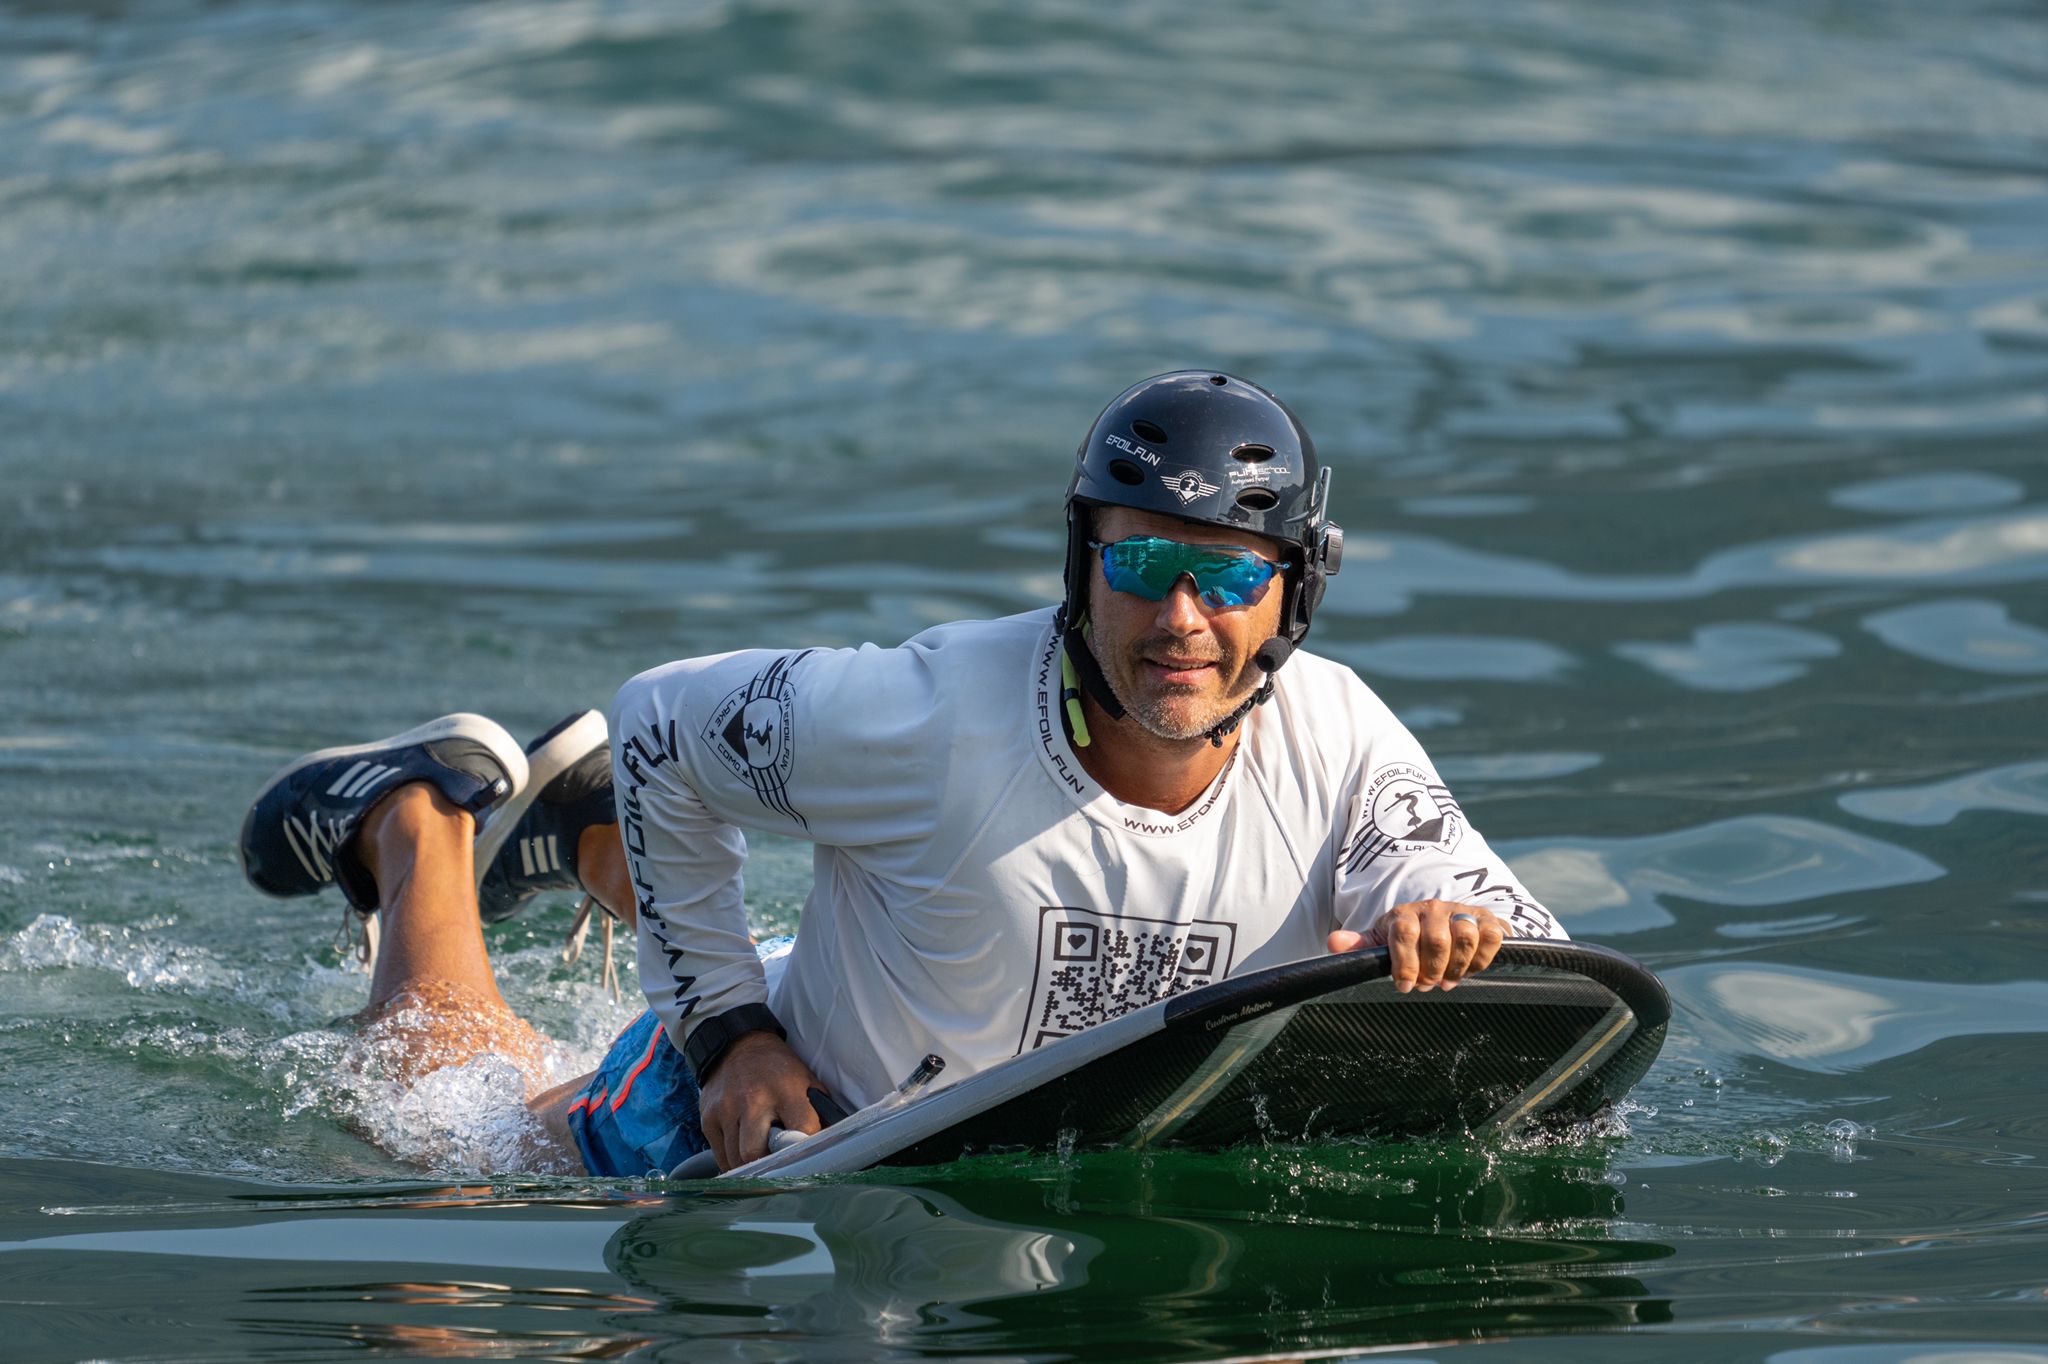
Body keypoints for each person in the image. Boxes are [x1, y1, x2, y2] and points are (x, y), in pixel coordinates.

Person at [239, 371, 1566, 1177]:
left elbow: (1466, 892)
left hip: (919, 971)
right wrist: (727, 1034)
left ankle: (603, 845)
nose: (1181, 621)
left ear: (1293, 594)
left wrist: (1441, 918)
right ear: (1079, 562)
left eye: (1226, 576)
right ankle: (418, 822)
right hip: (787, 1101)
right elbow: (656, 722)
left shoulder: (1336, 729)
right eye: (1141, 566)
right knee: (436, 1155)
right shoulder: (924, 716)